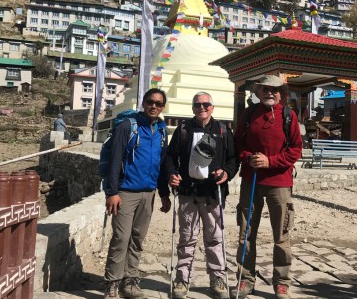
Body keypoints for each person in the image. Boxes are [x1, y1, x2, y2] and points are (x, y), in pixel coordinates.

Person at [231, 76, 302, 299]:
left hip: (279, 183)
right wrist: (249, 157)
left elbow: (296, 150)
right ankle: (245, 280)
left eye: (274, 90)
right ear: (258, 92)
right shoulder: (249, 114)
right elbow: (238, 144)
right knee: (246, 233)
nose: (269, 93)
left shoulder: (288, 116)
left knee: (281, 235)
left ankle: (281, 282)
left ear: (281, 93)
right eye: (265, 89)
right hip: (251, 180)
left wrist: (271, 162)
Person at [165, 91, 239, 299]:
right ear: (192, 108)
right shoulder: (183, 130)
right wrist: (172, 174)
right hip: (188, 191)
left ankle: (218, 278)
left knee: (215, 238)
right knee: (187, 238)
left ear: (212, 107)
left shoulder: (223, 130)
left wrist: (227, 174)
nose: (202, 108)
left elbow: (233, 159)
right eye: (197, 105)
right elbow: (170, 157)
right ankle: (181, 278)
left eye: (206, 104)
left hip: (212, 193)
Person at [103, 88, 171, 299]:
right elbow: (114, 160)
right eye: (150, 102)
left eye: (159, 104)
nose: (154, 106)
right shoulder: (127, 126)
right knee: (120, 238)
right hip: (125, 193)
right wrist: (112, 192)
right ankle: (112, 283)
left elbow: (161, 163)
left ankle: (129, 281)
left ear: (163, 107)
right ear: (143, 103)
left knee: (137, 239)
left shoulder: (161, 130)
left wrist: (163, 193)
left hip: (148, 193)